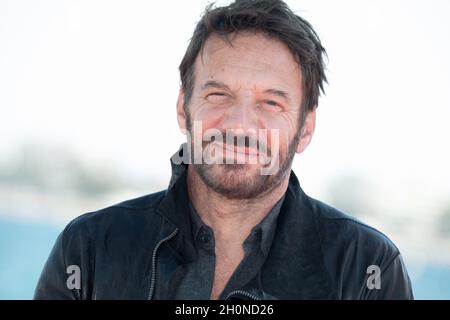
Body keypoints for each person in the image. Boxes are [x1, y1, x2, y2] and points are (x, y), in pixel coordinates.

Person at [34, 0, 414, 300]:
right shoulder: (87, 250)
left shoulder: (367, 269)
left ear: (305, 128)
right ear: (184, 108)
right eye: (219, 95)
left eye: (271, 103)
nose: (240, 125)